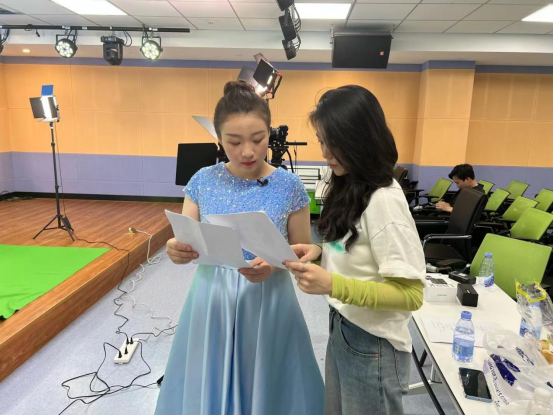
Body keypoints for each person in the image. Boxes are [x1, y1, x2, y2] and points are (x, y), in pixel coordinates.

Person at [156, 81, 324, 415]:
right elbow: (186, 239)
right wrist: (176, 250)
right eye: (234, 142)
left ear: (269, 133)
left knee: (270, 380)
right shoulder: (202, 180)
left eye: (258, 139)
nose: (248, 151)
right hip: (213, 296)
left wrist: (275, 265)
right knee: (210, 376)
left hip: (270, 296)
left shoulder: (289, 185)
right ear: (219, 139)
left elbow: (302, 250)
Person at [284, 85, 425, 415]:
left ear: (360, 139)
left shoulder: (384, 200)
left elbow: (411, 294)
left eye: (334, 142)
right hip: (344, 326)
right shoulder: (351, 184)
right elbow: (357, 245)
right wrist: (321, 251)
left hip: (373, 344)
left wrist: (333, 284)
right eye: (321, 141)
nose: (325, 152)